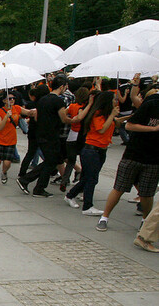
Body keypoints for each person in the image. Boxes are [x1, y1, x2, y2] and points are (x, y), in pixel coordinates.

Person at [96, 84, 159, 232]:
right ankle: (104, 217)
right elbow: (129, 126)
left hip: (154, 158)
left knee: (147, 193)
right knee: (119, 188)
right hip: (134, 154)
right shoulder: (152, 104)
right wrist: (153, 129)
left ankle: (145, 220)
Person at [17, 75, 74, 198]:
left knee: (50, 161)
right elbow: (64, 119)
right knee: (51, 161)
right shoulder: (58, 101)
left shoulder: (43, 99)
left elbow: (37, 117)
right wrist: (75, 119)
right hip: (52, 135)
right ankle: (28, 181)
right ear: (62, 87)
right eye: (65, 87)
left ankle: (38, 187)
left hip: (41, 133)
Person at [63, 90, 119, 216]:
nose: (116, 101)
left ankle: (70, 195)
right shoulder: (97, 114)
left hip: (101, 150)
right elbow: (101, 129)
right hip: (92, 149)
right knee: (91, 179)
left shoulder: (107, 115)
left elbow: (115, 124)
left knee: (89, 177)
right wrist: (112, 115)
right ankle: (87, 206)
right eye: (114, 99)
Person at [0, 92, 35, 188]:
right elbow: (0, 127)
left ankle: (4, 172)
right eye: (9, 98)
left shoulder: (16, 108)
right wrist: (6, 116)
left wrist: (37, 109)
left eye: (13, 98)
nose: (12, 100)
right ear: (4, 101)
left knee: (7, 162)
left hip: (11, 139)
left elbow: (28, 112)